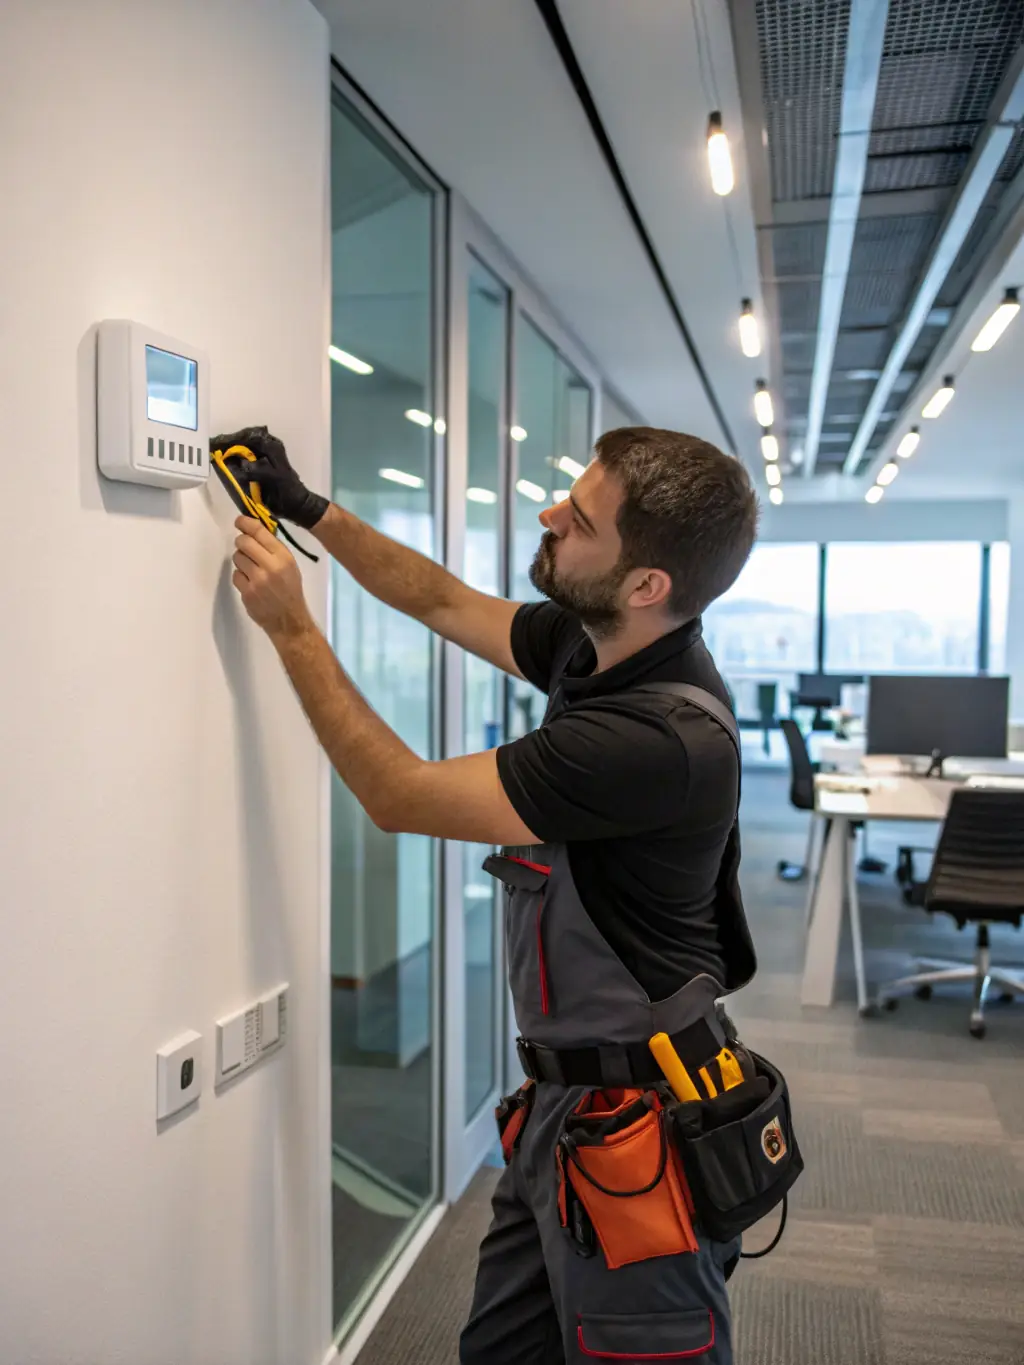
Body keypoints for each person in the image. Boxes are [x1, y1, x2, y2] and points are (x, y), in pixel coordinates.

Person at [214, 423, 760, 1364]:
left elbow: (398, 795)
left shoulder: (649, 738)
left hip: (641, 1134)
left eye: (579, 518)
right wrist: (311, 510)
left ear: (646, 585)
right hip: (564, 1114)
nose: (549, 514)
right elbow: (444, 599)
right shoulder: (601, 647)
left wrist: (292, 625)